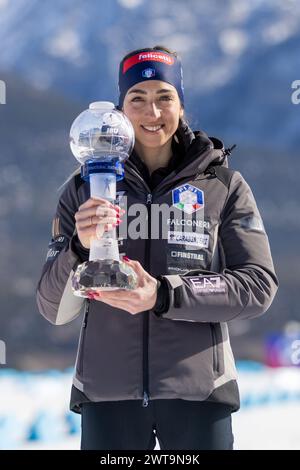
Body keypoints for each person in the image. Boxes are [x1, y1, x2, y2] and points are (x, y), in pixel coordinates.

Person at [36, 46, 278, 450]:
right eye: (138, 99)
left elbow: (257, 286)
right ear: (120, 110)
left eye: (164, 97)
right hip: (107, 396)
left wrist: (164, 294)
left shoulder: (223, 186)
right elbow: (51, 307)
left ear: (181, 105)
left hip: (198, 393)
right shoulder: (82, 189)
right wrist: (79, 246)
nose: (152, 114)